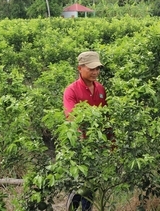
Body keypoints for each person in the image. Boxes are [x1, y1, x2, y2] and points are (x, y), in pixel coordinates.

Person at [63, 51, 107, 211]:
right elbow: (71, 117)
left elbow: (106, 117)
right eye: (91, 69)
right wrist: (82, 142)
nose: (95, 72)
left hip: (96, 145)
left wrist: (110, 142)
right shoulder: (72, 91)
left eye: (97, 69)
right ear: (80, 68)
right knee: (79, 185)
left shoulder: (101, 89)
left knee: (91, 186)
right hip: (79, 146)